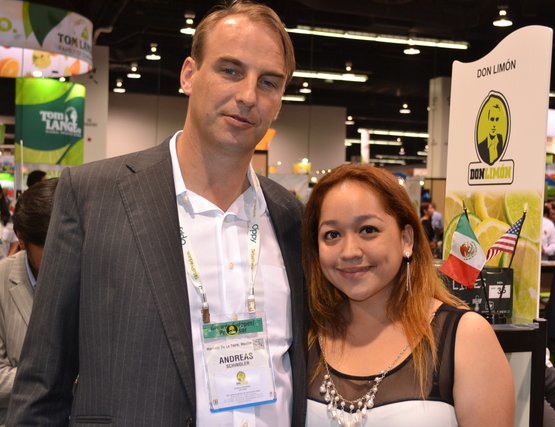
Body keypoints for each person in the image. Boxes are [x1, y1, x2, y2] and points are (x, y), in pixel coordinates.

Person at [7, 2, 306, 426]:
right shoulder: (93, 197)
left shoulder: (291, 216)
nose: (248, 95)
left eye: (269, 82)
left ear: (279, 101)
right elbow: (42, 385)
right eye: (230, 70)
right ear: (189, 75)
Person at [302, 164, 514, 426]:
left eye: (368, 230)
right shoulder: (307, 334)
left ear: (406, 239)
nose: (349, 252)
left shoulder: (465, 337)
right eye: (332, 234)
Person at [0, 178, 58, 424]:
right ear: (22, 239)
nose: (63, 256)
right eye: (50, 248)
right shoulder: (3, 281)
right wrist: (58, 379)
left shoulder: (93, 274)